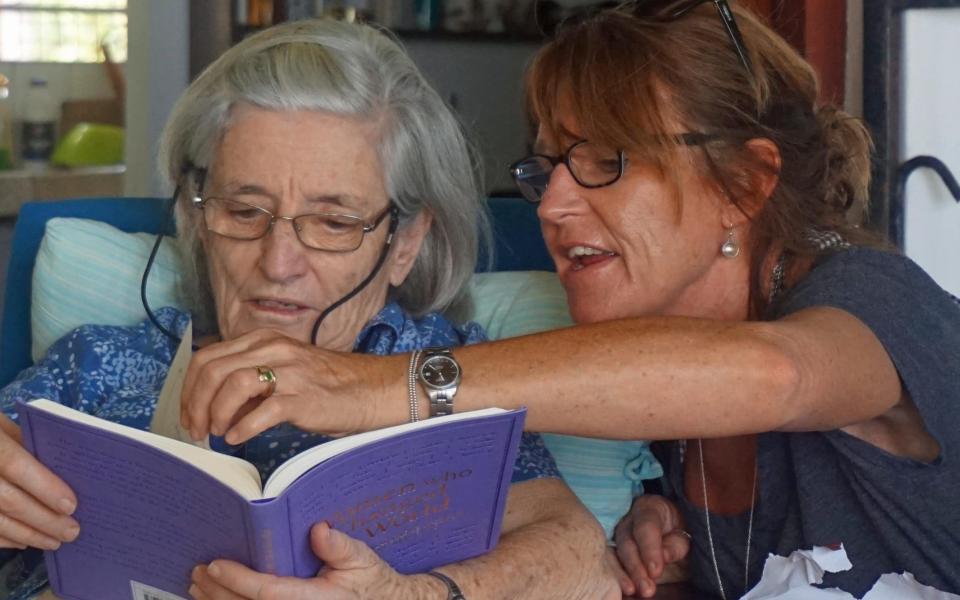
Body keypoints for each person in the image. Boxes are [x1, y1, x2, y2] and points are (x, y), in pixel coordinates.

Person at [180, 3, 960, 599]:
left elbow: (774, 376)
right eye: (549, 165)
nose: (551, 205)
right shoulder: (649, 371)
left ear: (743, 185)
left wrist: (376, 385)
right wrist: (654, 531)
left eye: (606, 162)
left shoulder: (870, 296)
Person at [0, 19, 617, 600]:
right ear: (195, 216)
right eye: (244, 212)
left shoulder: (442, 376)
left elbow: (584, 561)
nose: (280, 263)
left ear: (404, 243)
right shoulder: (98, 363)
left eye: (334, 222)